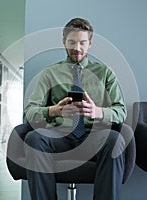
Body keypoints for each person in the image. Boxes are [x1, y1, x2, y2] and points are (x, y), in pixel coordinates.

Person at [23, 17, 127, 200]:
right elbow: (29, 113)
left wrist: (98, 112)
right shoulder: (49, 73)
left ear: (90, 43)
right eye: (71, 42)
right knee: (33, 138)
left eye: (82, 43)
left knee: (115, 140)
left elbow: (121, 111)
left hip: (95, 135)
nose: (77, 48)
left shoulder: (105, 73)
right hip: (59, 135)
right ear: (64, 42)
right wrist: (54, 110)